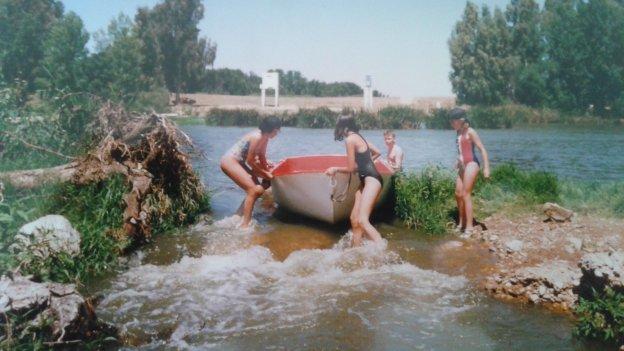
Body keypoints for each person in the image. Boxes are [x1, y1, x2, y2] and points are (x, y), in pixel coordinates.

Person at [325, 116, 384, 246]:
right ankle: (356, 250)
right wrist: (366, 164)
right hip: (366, 179)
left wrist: (335, 169)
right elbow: (378, 152)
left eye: (338, 128)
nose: (338, 131)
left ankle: (384, 251)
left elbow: (351, 168)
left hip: (372, 180)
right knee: (354, 219)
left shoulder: (350, 140)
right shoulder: (359, 137)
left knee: (362, 220)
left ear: (345, 127)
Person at [220, 116, 281, 228]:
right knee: (254, 190)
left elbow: (262, 156)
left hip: (239, 162)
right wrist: (266, 173)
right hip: (230, 161)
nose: (277, 134)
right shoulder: (257, 137)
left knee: (258, 189)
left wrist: (267, 170)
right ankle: (245, 225)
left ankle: (238, 216)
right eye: (277, 131)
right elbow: (250, 161)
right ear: (271, 129)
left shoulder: (265, 137)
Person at [450, 108, 490, 237]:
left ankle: (469, 228)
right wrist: (457, 163)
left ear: (461, 120)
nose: (451, 123)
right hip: (462, 165)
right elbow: (461, 151)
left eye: (453, 121)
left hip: (472, 163)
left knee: (466, 193)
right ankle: (461, 223)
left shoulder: (471, 132)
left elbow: (482, 149)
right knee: (458, 193)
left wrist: (486, 168)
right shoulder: (457, 132)